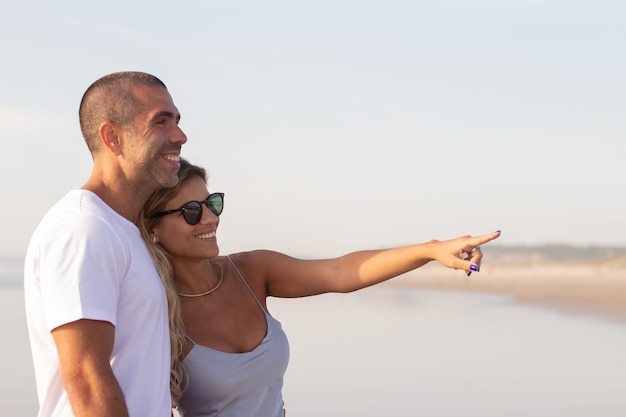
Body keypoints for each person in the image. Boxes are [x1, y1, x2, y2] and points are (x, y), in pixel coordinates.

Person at [138, 158, 501, 417]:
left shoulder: (251, 270)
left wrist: (430, 250)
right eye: (191, 211)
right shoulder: (152, 308)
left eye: (212, 203)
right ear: (153, 227)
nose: (211, 218)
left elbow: (341, 272)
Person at [24, 71, 188, 417]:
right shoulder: (84, 229)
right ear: (112, 137)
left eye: (177, 121)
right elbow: (85, 380)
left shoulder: (123, 230)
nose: (180, 136)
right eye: (161, 122)